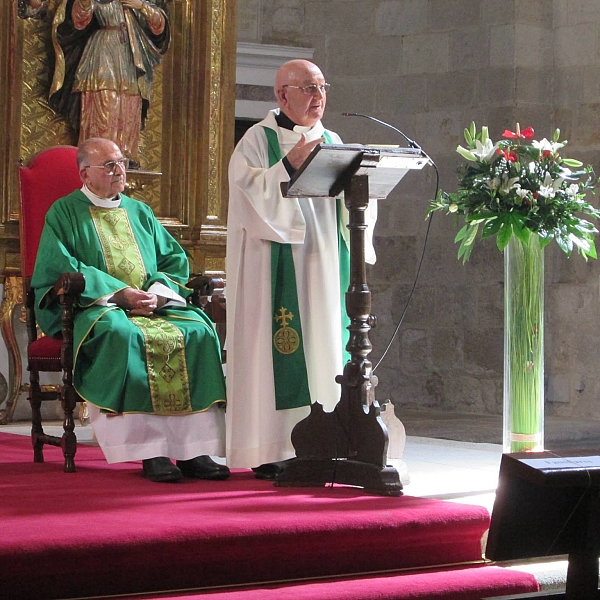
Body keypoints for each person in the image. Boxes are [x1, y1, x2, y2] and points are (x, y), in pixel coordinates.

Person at [31, 137, 230, 483]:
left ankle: (195, 448)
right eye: (109, 165)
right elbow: (58, 268)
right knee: (123, 335)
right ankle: (149, 451)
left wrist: (157, 293)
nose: (119, 170)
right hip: (97, 307)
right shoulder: (64, 212)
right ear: (85, 174)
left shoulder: (141, 212)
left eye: (122, 162)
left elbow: (172, 260)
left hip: (153, 307)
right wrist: (119, 293)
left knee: (198, 330)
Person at [226, 59, 378, 479]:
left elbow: (358, 193)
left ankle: (328, 440)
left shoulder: (333, 139)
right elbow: (247, 194)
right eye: (308, 88)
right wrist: (289, 162)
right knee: (280, 350)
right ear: (282, 95)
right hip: (275, 265)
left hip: (326, 260)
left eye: (322, 86)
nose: (318, 96)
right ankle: (273, 447)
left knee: (324, 341)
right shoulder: (256, 140)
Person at [49, 0, 170, 165]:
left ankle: (124, 157)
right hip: (103, 54)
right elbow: (79, 20)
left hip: (131, 54)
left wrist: (141, 6)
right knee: (104, 104)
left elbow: (158, 27)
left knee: (129, 105)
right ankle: (98, 158)